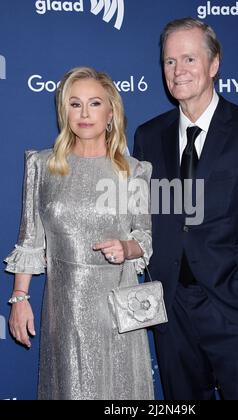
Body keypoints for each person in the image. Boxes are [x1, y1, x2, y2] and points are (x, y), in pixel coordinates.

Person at [133, 18, 238, 400]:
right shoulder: (147, 136)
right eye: (169, 61)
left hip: (235, 308)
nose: (178, 71)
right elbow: (140, 218)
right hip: (171, 312)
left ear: (214, 64)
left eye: (189, 59)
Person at [5, 67, 154, 400]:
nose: (85, 114)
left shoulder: (133, 172)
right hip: (65, 310)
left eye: (95, 103)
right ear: (64, 111)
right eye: (75, 104)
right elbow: (30, 240)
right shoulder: (42, 166)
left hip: (118, 309)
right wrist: (19, 298)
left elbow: (144, 239)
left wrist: (126, 248)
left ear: (111, 112)